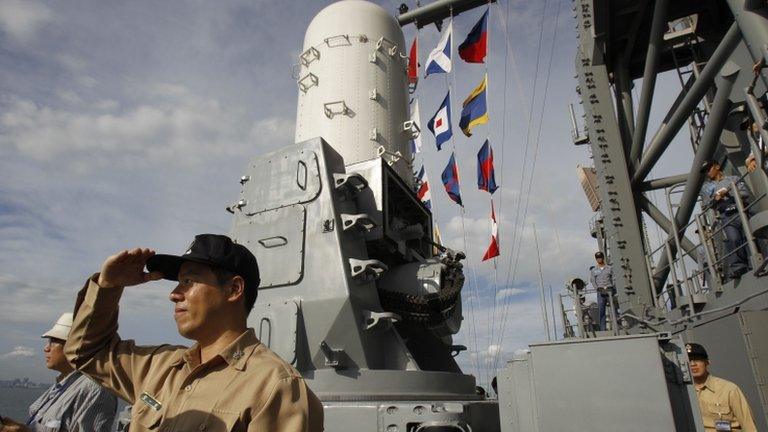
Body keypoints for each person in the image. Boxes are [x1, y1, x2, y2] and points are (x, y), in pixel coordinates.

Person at [63, 234, 324, 432]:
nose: (174, 294)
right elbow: (86, 352)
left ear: (234, 289)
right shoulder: (161, 367)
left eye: (188, 281)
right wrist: (108, 287)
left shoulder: (275, 387)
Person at [0, 313, 117, 432]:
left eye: (54, 341)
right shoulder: (63, 385)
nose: (46, 348)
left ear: (77, 346)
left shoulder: (95, 389)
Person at [687, 343, 757, 431]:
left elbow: (749, 425)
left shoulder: (729, 389)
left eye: (697, 359)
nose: (693, 364)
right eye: (688, 360)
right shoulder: (680, 393)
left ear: (707, 362)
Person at [700, 160, 752, 279]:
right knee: (733, 240)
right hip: (726, 217)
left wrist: (729, 192)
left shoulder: (733, 179)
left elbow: (745, 193)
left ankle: (758, 258)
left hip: (741, 211)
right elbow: (708, 205)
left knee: (750, 236)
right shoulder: (709, 189)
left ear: (717, 167)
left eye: (709, 169)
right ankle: (739, 267)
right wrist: (716, 199)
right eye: (706, 171)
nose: (708, 173)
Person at [588, 251, 617, 331]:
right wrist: (597, 288)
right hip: (600, 291)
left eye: (600, 257)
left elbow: (614, 278)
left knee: (613, 309)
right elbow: (593, 280)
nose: (599, 259)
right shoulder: (594, 270)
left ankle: (617, 325)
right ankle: (603, 329)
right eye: (597, 258)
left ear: (603, 258)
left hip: (609, 290)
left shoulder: (609, 268)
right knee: (601, 310)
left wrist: (613, 287)